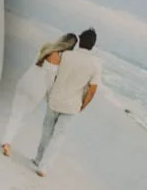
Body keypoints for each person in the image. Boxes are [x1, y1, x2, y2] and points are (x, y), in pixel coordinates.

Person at [32, 27, 102, 176]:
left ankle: (38, 159)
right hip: (72, 106)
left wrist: (48, 93)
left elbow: (52, 74)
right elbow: (92, 90)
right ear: (93, 45)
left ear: (80, 41)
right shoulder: (95, 65)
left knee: (47, 131)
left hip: (54, 99)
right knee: (58, 137)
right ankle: (43, 167)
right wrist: (83, 106)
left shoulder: (65, 55)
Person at [1, 34, 78, 156]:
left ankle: (6, 140)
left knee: (15, 115)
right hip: (36, 90)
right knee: (21, 118)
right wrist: (49, 98)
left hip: (25, 82)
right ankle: (7, 143)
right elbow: (49, 81)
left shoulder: (46, 47)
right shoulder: (58, 58)